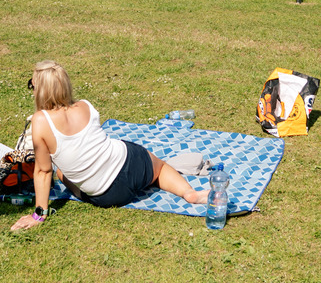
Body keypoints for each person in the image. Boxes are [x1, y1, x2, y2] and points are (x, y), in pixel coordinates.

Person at [11, 60, 206, 230]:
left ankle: (178, 188)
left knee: (60, 173)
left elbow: (43, 171)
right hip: (131, 163)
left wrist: (38, 215)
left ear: (40, 90)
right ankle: (189, 193)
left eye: (32, 86)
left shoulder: (40, 121)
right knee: (160, 167)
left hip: (109, 195)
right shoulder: (85, 105)